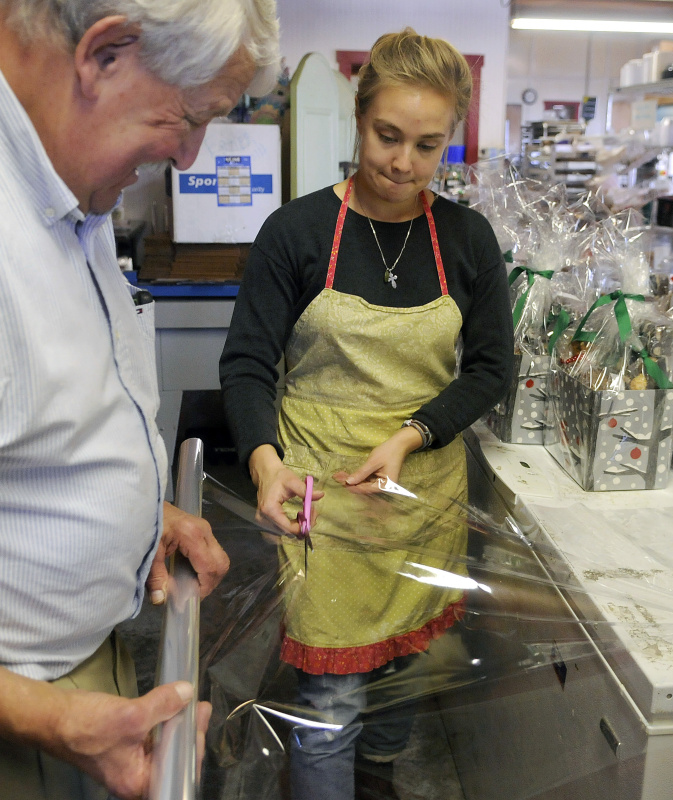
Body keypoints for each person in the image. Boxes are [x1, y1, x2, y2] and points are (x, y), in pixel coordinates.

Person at [0, 1, 278, 798]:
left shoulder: (50, 156)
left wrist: (127, 513)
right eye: (188, 118)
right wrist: (50, 720)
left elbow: (14, 415)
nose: (190, 158)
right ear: (105, 52)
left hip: (70, 684)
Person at [219, 28, 513, 800]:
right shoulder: (298, 232)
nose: (402, 163)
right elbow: (247, 364)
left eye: (427, 144)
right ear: (358, 118)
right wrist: (264, 461)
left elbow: (490, 368)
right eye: (388, 136)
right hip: (322, 492)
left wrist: (412, 434)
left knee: (400, 672)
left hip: (420, 488)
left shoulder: (466, 237)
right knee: (331, 700)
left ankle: (376, 779)